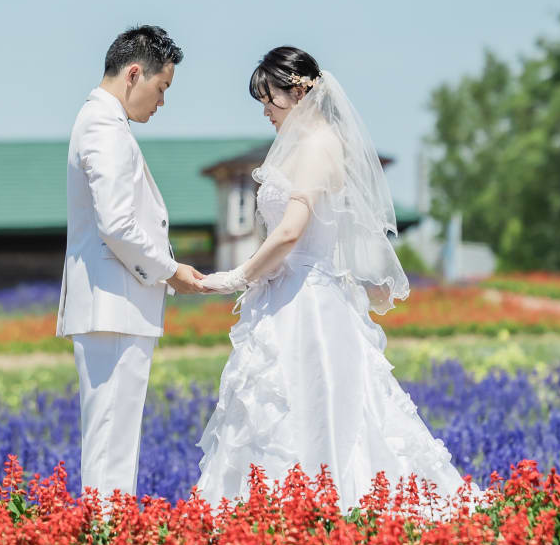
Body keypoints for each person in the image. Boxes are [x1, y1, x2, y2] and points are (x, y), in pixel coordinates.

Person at [196, 46, 475, 514]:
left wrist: (235, 277)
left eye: (270, 98)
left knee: (315, 403)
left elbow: (290, 232)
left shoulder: (318, 146)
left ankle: (323, 506)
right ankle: (279, 508)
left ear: (300, 90)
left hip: (309, 300)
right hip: (288, 294)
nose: (265, 110)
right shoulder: (305, 145)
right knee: (280, 403)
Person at [57, 25, 205, 500]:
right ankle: (106, 544)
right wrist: (169, 270)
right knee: (111, 443)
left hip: (112, 303)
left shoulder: (99, 120)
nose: (161, 102)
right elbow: (117, 224)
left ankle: (106, 537)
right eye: (161, 88)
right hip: (114, 303)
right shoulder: (104, 125)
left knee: (112, 437)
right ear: (134, 74)